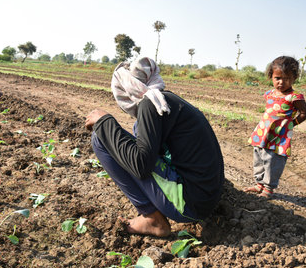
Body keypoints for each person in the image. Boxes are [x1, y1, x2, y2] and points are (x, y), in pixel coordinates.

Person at [85, 57, 224, 237]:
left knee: (100, 138)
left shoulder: (150, 104)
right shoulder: (164, 100)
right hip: (205, 198)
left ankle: (152, 219)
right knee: (136, 131)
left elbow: (141, 165)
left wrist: (105, 122)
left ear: (127, 88)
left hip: (190, 204)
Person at [244, 56, 306, 198]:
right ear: (271, 77)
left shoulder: (294, 97)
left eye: (286, 79)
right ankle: (259, 184)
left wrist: (292, 123)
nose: (281, 82)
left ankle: (268, 188)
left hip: (279, 135)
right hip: (263, 131)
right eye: (277, 78)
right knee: (259, 156)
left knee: (273, 160)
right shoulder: (270, 93)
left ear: (294, 78)